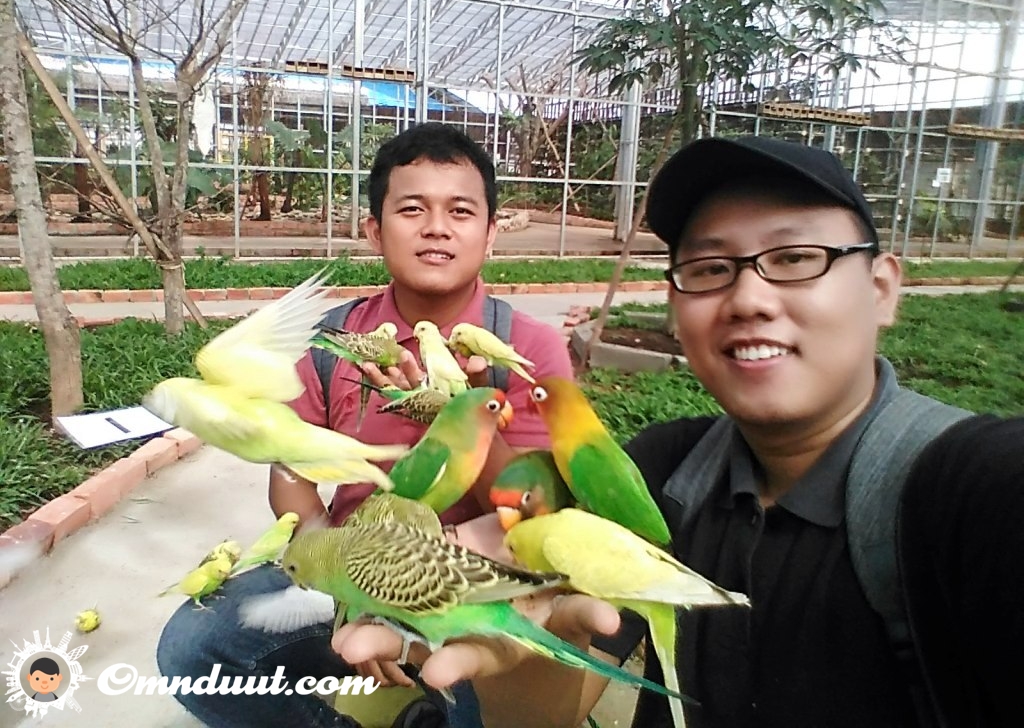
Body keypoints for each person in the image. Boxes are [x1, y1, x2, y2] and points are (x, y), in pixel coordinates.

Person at [332, 135, 1024, 728]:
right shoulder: (664, 470)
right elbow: (548, 711)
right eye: (711, 268)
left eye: (795, 257)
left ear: (881, 288)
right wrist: (529, 656)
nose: (749, 298)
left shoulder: (976, 490)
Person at [156, 122, 574, 728]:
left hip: (477, 578)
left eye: (460, 211)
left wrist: (456, 415)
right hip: (352, 567)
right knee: (195, 650)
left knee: (488, 704)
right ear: (375, 230)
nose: (437, 227)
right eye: (412, 209)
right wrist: (345, 582)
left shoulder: (526, 350)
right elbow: (290, 477)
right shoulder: (335, 342)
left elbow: (538, 514)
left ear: (489, 232)